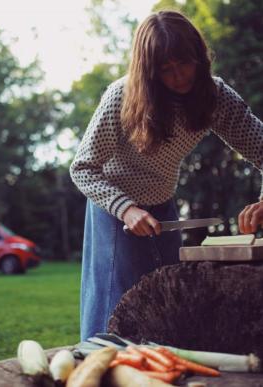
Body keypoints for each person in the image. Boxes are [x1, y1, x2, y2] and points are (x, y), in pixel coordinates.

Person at [69, 10, 263, 341]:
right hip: (116, 212)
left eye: (185, 63)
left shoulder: (215, 97)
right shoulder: (122, 97)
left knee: (170, 303)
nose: (179, 76)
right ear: (149, 72)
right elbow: (82, 168)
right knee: (116, 312)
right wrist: (126, 208)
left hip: (163, 205)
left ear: (199, 57)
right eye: (166, 70)